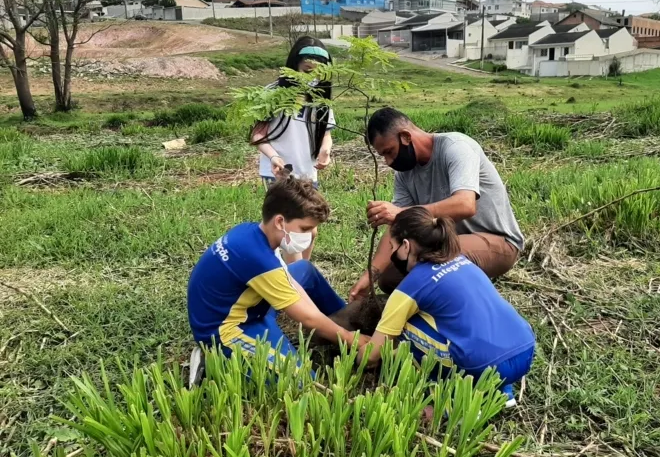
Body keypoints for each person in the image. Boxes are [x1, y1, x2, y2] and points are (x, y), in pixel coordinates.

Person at [187, 177, 366, 385]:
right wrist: (353, 340)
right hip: (226, 330)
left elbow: (290, 282)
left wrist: (345, 333)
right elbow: (307, 319)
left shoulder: (250, 232)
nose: (310, 235)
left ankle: (346, 319)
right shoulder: (258, 259)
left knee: (303, 270)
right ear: (280, 221)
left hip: (250, 307)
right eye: (305, 229)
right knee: (302, 384)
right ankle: (213, 361)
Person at [356, 207, 535, 407]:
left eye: (392, 246)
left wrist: (356, 357)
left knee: (404, 328)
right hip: (525, 350)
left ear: (405, 246)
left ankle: (450, 401)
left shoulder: (409, 288)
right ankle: (501, 392)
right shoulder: (463, 261)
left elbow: (372, 356)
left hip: (483, 366)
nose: (391, 252)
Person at [349, 107, 524, 300]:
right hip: (447, 243)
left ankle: (467, 306)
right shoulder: (404, 174)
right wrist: (371, 275)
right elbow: (396, 227)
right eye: (383, 155)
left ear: (406, 137)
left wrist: (400, 213)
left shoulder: (456, 147)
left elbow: (465, 205)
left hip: (498, 242)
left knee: (425, 263)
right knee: (390, 277)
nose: (388, 161)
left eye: (390, 152)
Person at [250, 36, 335, 262]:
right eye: (307, 69)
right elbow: (257, 134)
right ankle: (294, 284)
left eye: (318, 72)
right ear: (294, 65)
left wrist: (325, 151)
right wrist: (274, 157)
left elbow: (325, 134)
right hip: (279, 173)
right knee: (292, 231)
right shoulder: (273, 93)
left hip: (308, 173)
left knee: (311, 229)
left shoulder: (319, 98)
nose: (312, 76)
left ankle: (299, 275)